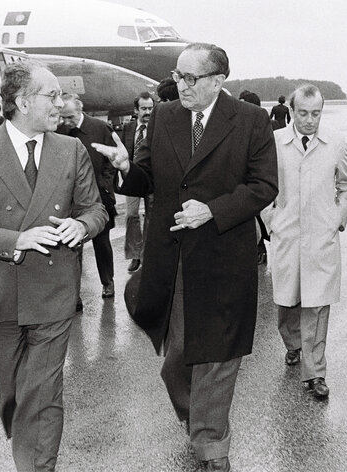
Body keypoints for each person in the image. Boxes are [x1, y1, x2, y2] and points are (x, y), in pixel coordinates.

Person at [92, 42, 277, 472]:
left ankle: (212, 445)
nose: (181, 85)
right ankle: (196, 418)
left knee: (217, 354)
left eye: (191, 78)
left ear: (218, 80)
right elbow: (146, 177)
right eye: (178, 76)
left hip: (222, 256)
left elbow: (264, 186)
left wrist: (212, 210)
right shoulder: (164, 116)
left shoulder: (250, 121)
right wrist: (124, 167)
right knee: (177, 360)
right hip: (171, 258)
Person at [0, 62, 107, 471]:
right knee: (14, 393)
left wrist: (81, 225)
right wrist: (16, 240)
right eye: (52, 96)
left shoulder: (71, 150)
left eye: (62, 96)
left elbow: (95, 209)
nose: (62, 104)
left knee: (44, 392)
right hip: (3, 295)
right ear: (20, 102)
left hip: (53, 292)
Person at [264, 84, 347, 399]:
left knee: (316, 305)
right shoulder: (274, 143)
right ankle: (293, 343)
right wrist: (270, 220)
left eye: (316, 113)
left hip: (321, 237)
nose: (309, 120)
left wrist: (337, 219)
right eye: (303, 113)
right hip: (287, 235)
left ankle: (315, 373)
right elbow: (263, 187)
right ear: (291, 111)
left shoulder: (336, 143)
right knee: (287, 303)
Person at [57, 93, 118, 303]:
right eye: (63, 117)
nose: (67, 122)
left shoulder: (100, 128)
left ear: (80, 110)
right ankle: (75, 294)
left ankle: (107, 282)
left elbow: (112, 159)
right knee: (74, 246)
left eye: (70, 117)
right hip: (71, 199)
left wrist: (105, 184)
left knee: (102, 243)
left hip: (99, 198)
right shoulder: (60, 131)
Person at [115, 92, 154, 272]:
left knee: (151, 217)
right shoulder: (128, 128)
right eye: (144, 108)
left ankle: (147, 254)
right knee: (131, 216)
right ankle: (134, 255)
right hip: (132, 179)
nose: (147, 112)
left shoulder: (157, 127)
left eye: (150, 108)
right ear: (136, 110)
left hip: (152, 180)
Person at [238, 89, 272, 265]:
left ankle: (260, 247)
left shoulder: (263, 127)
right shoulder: (239, 126)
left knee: (256, 214)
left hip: (258, 183)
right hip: (245, 182)